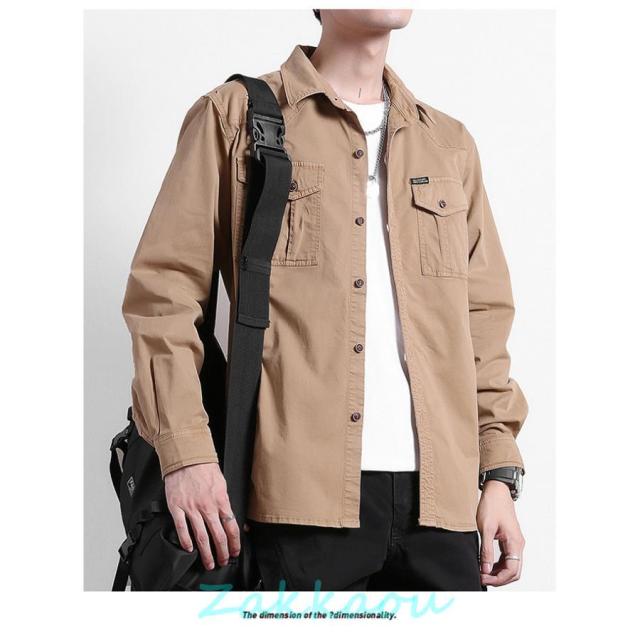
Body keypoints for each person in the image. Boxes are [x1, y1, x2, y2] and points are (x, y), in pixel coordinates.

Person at [122, 9, 527, 591]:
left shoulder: (448, 144)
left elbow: (482, 323)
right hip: (295, 503)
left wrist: (498, 474)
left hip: (443, 509)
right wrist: (186, 454)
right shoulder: (233, 118)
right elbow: (164, 296)